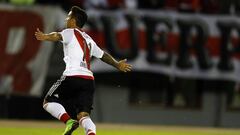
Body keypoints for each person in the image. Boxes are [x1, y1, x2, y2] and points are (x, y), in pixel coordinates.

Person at [35, 6, 132, 135]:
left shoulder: (70, 32)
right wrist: (117, 64)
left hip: (72, 76)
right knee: (83, 116)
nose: (66, 19)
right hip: (88, 81)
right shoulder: (89, 39)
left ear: (74, 20)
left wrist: (45, 36)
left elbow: (57, 35)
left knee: (48, 101)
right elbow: (103, 55)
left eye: (68, 16)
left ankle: (69, 121)